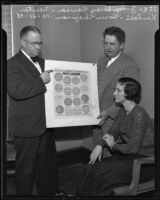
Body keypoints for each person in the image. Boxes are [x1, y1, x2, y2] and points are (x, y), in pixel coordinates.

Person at [7, 25, 62, 196]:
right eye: (33, 43)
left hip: (46, 125)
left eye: (40, 43)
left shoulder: (44, 62)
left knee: (46, 169)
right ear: (23, 43)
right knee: (25, 172)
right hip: (27, 128)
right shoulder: (11, 64)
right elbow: (16, 91)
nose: (38, 47)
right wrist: (40, 80)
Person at [77, 77, 154, 196]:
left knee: (104, 176)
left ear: (128, 94)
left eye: (118, 90)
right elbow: (112, 132)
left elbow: (132, 148)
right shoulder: (123, 111)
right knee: (91, 168)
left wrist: (113, 145)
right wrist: (99, 145)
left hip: (144, 163)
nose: (114, 93)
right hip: (128, 156)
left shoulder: (139, 114)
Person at [93, 26, 139, 153]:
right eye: (106, 43)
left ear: (122, 45)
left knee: (109, 160)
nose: (108, 47)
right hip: (96, 117)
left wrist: (108, 112)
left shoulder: (130, 65)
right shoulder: (101, 59)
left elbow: (129, 96)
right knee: (96, 156)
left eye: (112, 44)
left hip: (114, 120)